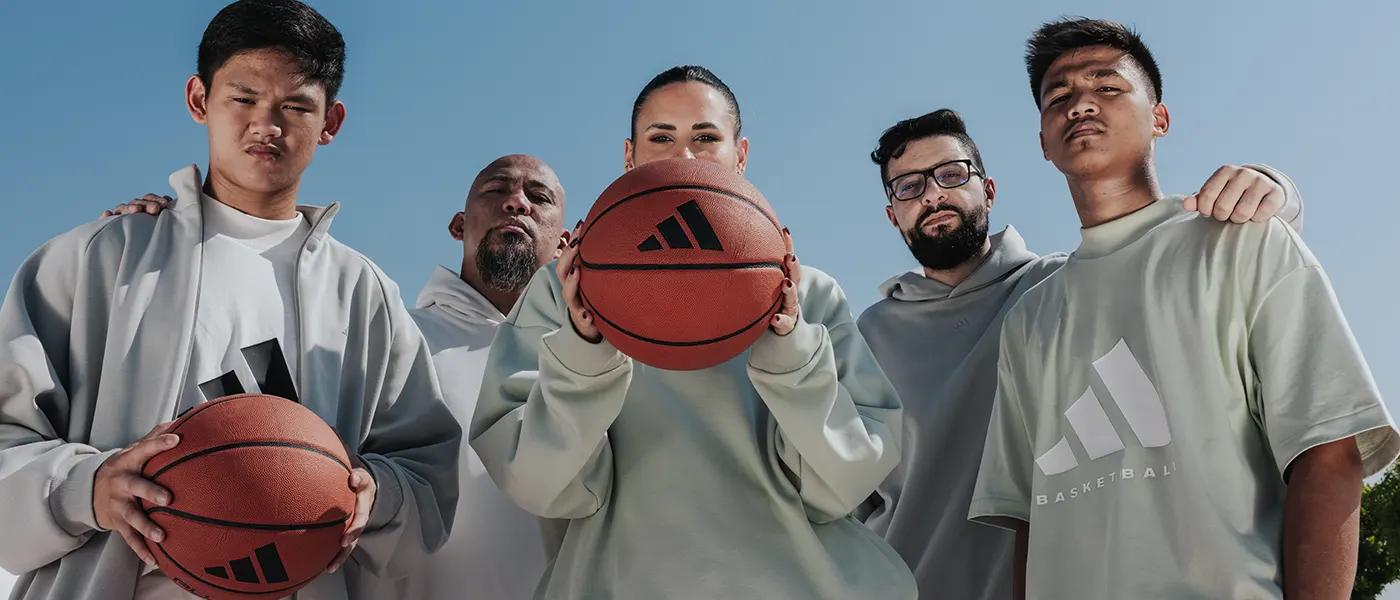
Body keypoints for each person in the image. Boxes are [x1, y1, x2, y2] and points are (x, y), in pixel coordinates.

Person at [0, 1, 461, 599]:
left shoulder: (364, 293)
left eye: (295, 106)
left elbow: (425, 470)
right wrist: (85, 486)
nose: (266, 126)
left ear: (331, 121)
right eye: (243, 99)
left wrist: (376, 494)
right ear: (199, 100)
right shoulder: (97, 259)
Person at [968, 17, 1400, 599]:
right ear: (1043, 142)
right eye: (1059, 97)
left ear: (1160, 119)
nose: (1080, 106)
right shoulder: (1028, 318)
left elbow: (1328, 451)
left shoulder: (1245, 240)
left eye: (1108, 87)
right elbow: (1028, 518)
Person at [469, 65, 917, 599]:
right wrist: (585, 355)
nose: (684, 156)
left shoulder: (809, 293)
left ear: (740, 156)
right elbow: (540, 485)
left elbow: (845, 484)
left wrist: (790, 352)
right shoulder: (563, 290)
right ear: (630, 156)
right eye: (661, 138)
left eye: (706, 138)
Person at [857, 107, 1304, 600]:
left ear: (987, 189)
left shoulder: (1058, 288)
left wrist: (1275, 187)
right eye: (908, 186)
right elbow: (846, 496)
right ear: (892, 215)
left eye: (950, 174)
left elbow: (1174, 256)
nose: (933, 194)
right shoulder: (866, 336)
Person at [102, 154, 572, 599]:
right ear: (458, 225)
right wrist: (169, 245)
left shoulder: (590, 362)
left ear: (566, 242)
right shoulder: (379, 338)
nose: (516, 202)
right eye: (496, 189)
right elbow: (243, 400)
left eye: (539, 197)